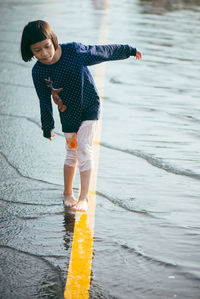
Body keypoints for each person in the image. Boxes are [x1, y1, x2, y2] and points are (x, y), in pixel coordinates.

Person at [20, 20, 142, 212]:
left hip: (89, 107)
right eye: (37, 50)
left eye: (47, 46)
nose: (44, 53)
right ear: (30, 51)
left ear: (53, 40)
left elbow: (102, 52)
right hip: (67, 112)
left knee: (84, 150)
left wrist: (128, 50)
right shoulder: (38, 71)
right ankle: (67, 193)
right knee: (71, 153)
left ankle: (84, 198)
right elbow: (44, 100)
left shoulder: (74, 52)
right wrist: (47, 127)